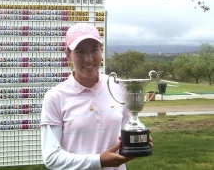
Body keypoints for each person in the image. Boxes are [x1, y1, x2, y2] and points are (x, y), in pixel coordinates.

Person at [41, 23, 152, 170]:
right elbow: (51, 157)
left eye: (94, 50)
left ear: (101, 50)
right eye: (80, 52)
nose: (89, 59)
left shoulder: (118, 86)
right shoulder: (55, 97)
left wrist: (137, 142)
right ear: (68, 54)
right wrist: (98, 161)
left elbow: (125, 134)